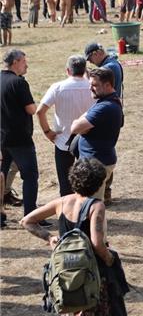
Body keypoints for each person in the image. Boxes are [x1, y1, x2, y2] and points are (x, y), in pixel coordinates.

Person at [21, 157, 129, 316]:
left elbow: (27, 221)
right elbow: (97, 243)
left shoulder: (62, 202)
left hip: (68, 273)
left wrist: (50, 238)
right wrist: (110, 259)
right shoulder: (96, 206)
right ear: (98, 182)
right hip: (92, 274)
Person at [36, 55, 93, 196]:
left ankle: (67, 214)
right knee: (88, 181)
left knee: (65, 183)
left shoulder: (58, 87)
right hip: (87, 139)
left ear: (68, 70)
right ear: (85, 69)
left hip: (63, 141)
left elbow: (40, 111)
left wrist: (47, 131)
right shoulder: (93, 86)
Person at [71, 68, 123, 204]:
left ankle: (93, 225)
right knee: (87, 203)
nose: (90, 88)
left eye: (94, 85)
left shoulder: (105, 107)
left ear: (107, 85)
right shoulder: (105, 102)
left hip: (97, 165)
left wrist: (82, 124)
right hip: (94, 162)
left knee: (91, 205)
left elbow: (75, 128)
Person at [1, 49, 40, 216]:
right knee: (30, 176)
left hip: (2, 137)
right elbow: (31, 109)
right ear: (15, 62)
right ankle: (31, 215)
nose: (27, 65)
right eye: (24, 62)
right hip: (20, 139)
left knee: (1, 176)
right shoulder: (19, 83)